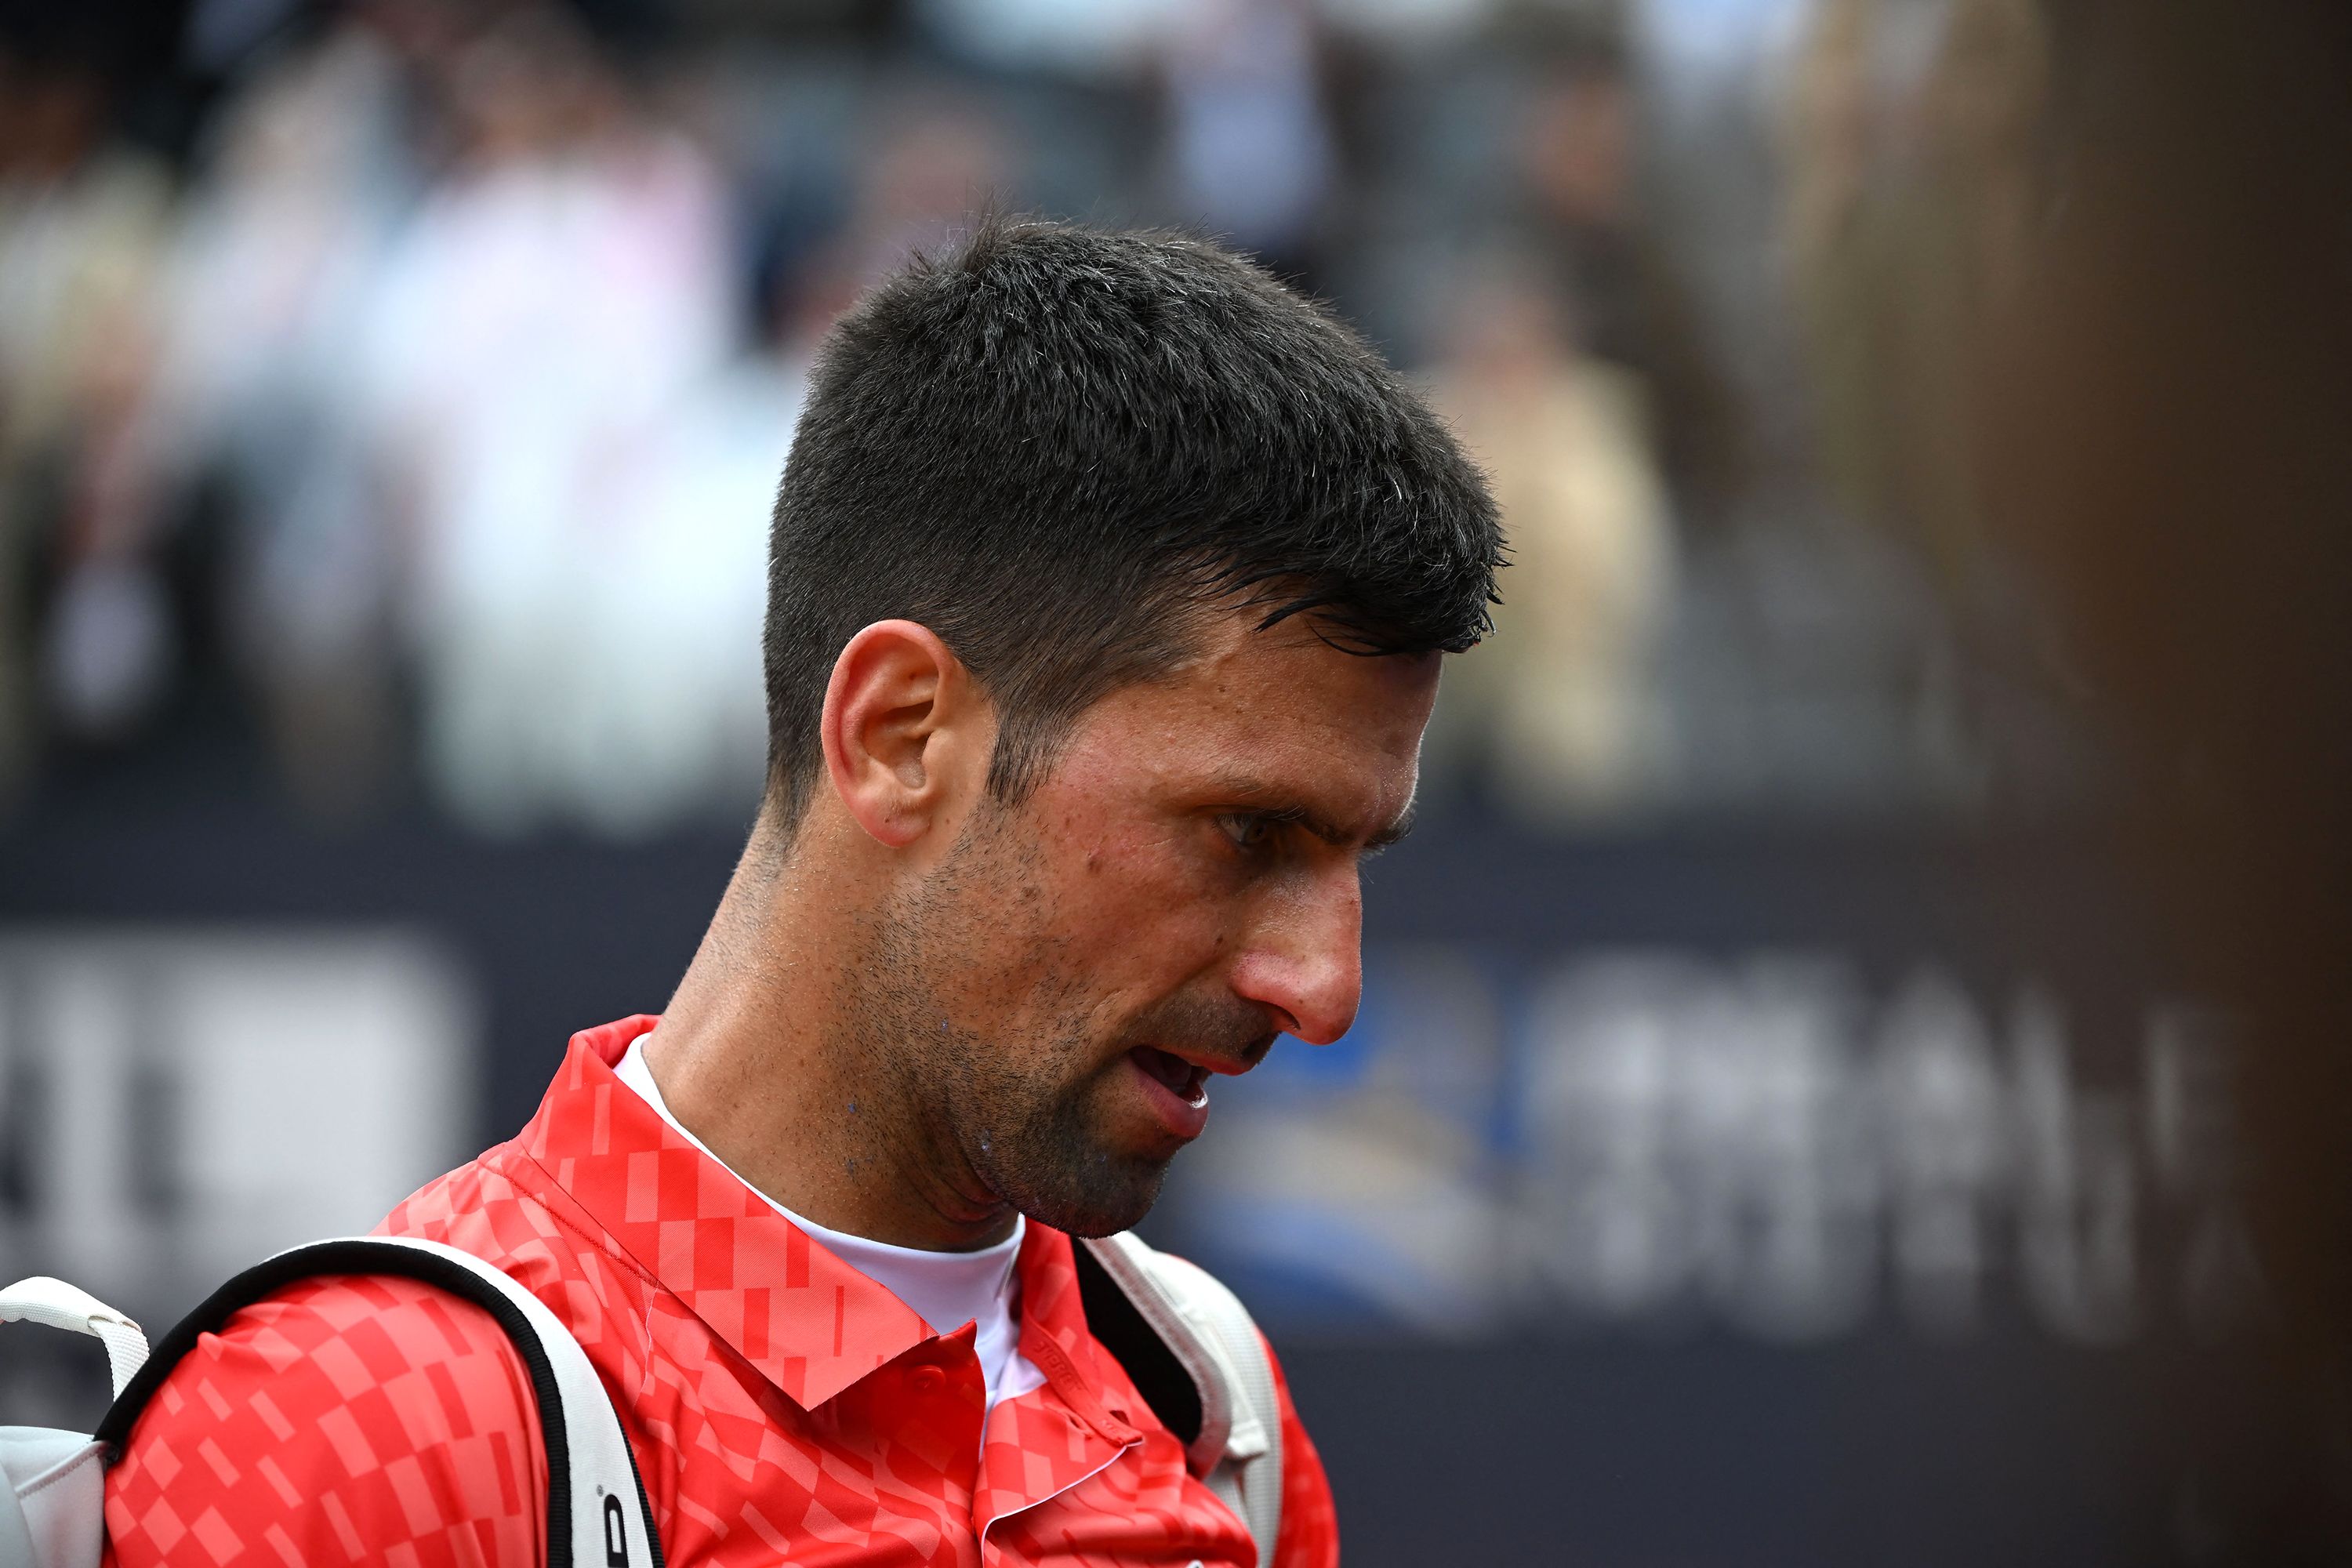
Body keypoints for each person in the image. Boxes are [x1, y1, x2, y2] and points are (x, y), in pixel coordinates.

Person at [99, 216, 1501, 1567]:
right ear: (898, 737)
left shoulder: (1214, 1416)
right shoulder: (361, 1427)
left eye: (1355, 856)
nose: (1325, 991)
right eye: (1247, 832)